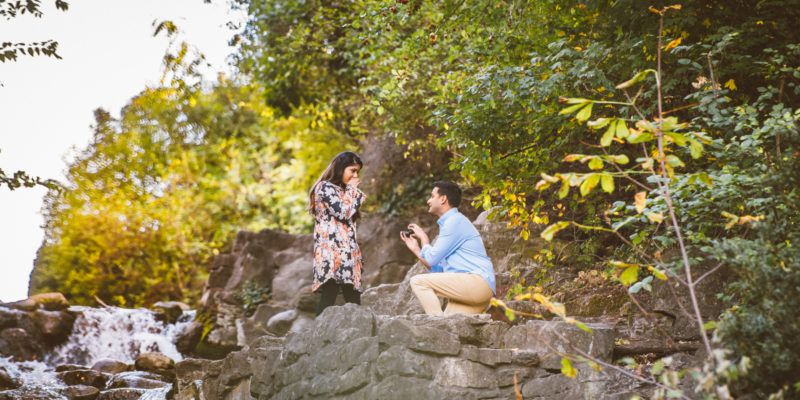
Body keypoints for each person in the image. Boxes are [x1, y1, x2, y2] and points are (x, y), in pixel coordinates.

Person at [400, 181, 496, 315]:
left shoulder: (454, 221)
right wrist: (416, 249)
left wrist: (425, 240)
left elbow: (432, 259)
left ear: (443, 199)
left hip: (476, 283)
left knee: (418, 282)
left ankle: (435, 323)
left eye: (432, 196)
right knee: (449, 324)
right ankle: (438, 325)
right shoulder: (453, 223)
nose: (428, 200)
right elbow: (438, 269)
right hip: (479, 291)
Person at [308, 151, 366, 316]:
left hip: (347, 251)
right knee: (330, 292)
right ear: (341, 168)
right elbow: (342, 213)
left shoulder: (344, 191)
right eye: (352, 170)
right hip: (331, 251)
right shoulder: (325, 187)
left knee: (353, 294)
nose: (355, 175)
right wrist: (352, 190)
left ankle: (361, 335)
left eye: (357, 172)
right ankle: (317, 337)